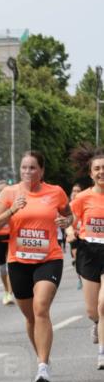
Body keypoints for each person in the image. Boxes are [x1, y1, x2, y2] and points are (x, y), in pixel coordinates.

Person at [0, 150, 72, 382]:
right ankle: (41, 357)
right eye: (24, 167)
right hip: (19, 261)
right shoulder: (9, 193)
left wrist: (66, 221)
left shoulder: (55, 192)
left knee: (41, 307)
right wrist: (12, 210)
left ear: (41, 171)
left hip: (49, 258)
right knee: (30, 316)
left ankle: (43, 366)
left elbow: (69, 216)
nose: (27, 171)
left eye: (33, 167)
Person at [69, 149, 104, 369]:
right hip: (89, 252)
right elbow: (70, 222)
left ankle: (102, 353)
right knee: (92, 311)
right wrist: (69, 232)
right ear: (91, 173)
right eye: (97, 169)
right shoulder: (82, 198)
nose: (101, 172)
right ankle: (97, 324)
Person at [67, 182, 84, 290]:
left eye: (78, 191)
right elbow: (67, 223)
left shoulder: (84, 204)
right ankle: (80, 278)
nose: (75, 193)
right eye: (74, 191)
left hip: (84, 236)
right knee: (77, 258)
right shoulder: (68, 206)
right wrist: (70, 233)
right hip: (74, 237)